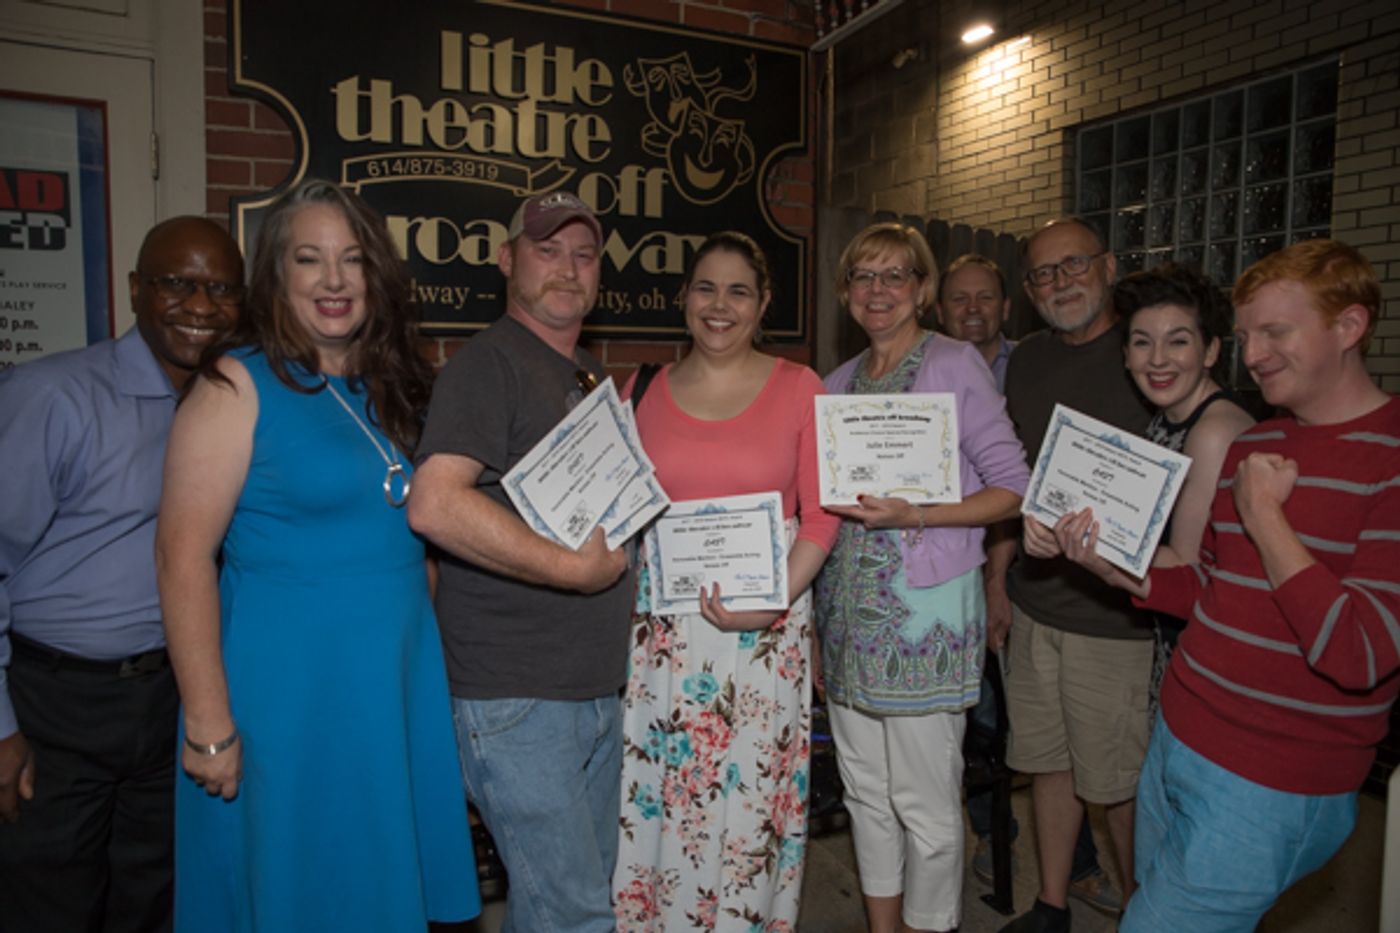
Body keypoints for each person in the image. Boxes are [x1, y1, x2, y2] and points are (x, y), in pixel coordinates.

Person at [155, 179, 479, 932]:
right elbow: (179, 557)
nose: (334, 280)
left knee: (376, 885)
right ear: (277, 275)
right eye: (310, 259)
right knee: (299, 884)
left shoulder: (392, 386)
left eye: (353, 259)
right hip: (287, 699)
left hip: (386, 691)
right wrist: (208, 722)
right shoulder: (237, 384)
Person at [1053, 239, 1399, 931]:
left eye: (1275, 331)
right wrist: (1107, 566)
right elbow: (1208, 590)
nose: (1255, 353)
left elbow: (1360, 652)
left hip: (1273, 781)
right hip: (1180, 735)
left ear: (1349, 326)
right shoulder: (1255, 444)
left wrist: (1264, 515)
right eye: (1246, 336)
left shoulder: (1389, 457)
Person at [0, 217, 242, 933]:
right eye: (176, 282)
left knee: (157, 898)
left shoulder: (234, 408)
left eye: (221, 288)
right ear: (137, 289)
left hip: (172, 697)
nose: (199, 304)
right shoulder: (54, 396)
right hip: (55, 701)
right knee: (47, 902)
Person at [407, 191, 631, 933]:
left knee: (557, 902)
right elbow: (434, 504)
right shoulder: (487, 366)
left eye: (584, 253)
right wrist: (571, 571)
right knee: (577, 915)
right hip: (515, 695)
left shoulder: (589, 374)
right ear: (507, 261)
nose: (567, 268)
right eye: (547, 249)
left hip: (590, 687)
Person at [611, 231, 839, 931]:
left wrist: (773, 604)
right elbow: (615, 509)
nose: (720, 304)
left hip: (762, 639)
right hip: (664, 647)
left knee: (747, 806)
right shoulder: (638, 388)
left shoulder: (801, 386)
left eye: (739, 290)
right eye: (705, 287)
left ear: (763, 303)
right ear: (683, 300)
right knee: (664, 799)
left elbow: (821, 517)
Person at [815, 227, 1028, 933]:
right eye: (863, 276)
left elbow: (1013, 487)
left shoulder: (954, 362)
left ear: (922, 289)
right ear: (846, 292)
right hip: (849, 618)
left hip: (923, 620)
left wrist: (921, 513)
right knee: (866, 794)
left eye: (895, 275)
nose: (879, 290)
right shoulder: (838, 383)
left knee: (927, 803)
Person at [934, 255, 1114, 910]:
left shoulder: (1032, 366)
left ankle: (1079, 864)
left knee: (1038, 730)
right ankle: (991, 835)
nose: (973, 308)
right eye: (959, 298)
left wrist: (999, 579)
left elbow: (1026, 481)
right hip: (951, 566)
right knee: (982, 722)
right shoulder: (927, 368)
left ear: (1006, 306)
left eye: (986, 296)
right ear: (940, 307)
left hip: (1018, 564)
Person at [998, 219, 1154, 933]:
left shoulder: (1148, 352)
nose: (1059, 283)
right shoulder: (1026, 361)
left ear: (1109, 265)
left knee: (1118, 784)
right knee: (1048, 762)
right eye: (1042, 274)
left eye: (1073, 266)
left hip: (1113, 619)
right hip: (1036, 604)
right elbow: (1012, 478)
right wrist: (1001, 579)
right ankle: (1051, 903)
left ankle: (1148, 912)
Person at [1114, 264, 1255, 715]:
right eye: (1142, 342)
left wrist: (1085, 537)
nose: (1157, 360)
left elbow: (1185, 567)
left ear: (1211, 350)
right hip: (1172, 640)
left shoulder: (1215, 431)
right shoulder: (1164, 418)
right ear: (1125, 355)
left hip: (1213, 657)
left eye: (1178, 341)